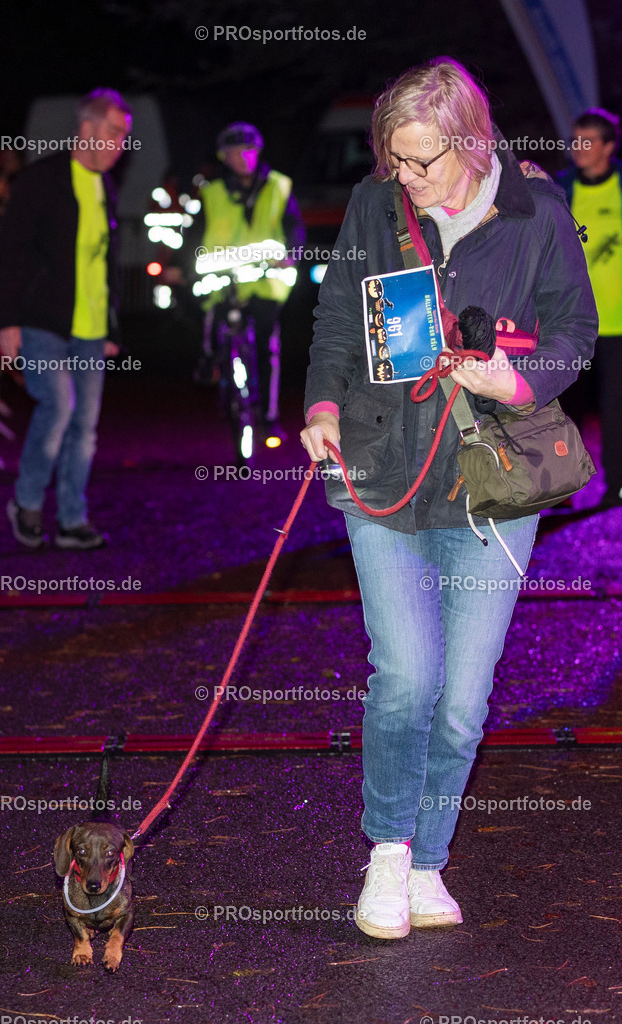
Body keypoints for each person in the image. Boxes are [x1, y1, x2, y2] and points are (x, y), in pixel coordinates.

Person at [301, 57, 597, 939]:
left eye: (423, 162)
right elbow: (334, 314)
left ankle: (429, 861)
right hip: (383, 471)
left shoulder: (538, 213)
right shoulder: (374, 204)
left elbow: (576, 332)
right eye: (395, 159)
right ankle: (388, 853)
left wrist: (518, 381)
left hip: (495, 482)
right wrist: (321, 405)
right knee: (407, 676)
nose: (407, 179)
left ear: (472, 143)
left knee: (464, 698)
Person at [0, 88, 131, 549]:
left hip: (90, 329)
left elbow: (105, 263)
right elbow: (8, 252)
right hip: (41, 321)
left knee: (84, 429)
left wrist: (111, 328)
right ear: (88, 128)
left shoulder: (105, 186)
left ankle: (72, 519)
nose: (120, 144)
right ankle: (27, 501)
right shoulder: (41, 180)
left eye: (124, 136)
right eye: (114, 133)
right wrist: (7, 320)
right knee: (57, 408)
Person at [195, 122, 305, 434]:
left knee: (267, 344)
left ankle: (269, 416)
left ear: (257, 153)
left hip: (265, 279)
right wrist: (181, 265)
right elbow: (195, 232)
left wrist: (292, 254)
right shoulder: (212, 192)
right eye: (234, 153)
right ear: (223, 157)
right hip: (225, 277)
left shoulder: (279, 185)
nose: (242, 158)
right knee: (210, 315)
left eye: (248, 151)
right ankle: (209, 361)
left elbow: (294, 225)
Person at [559, 108, 622, 506]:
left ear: (609, 146)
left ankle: (615, 488)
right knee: (564, 410)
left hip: (618, 324)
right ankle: (561, 490)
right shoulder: (562, 188)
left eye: (587, 141)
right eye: (575, 140)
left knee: (615, 412)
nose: (577, 148)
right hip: (573, 322)